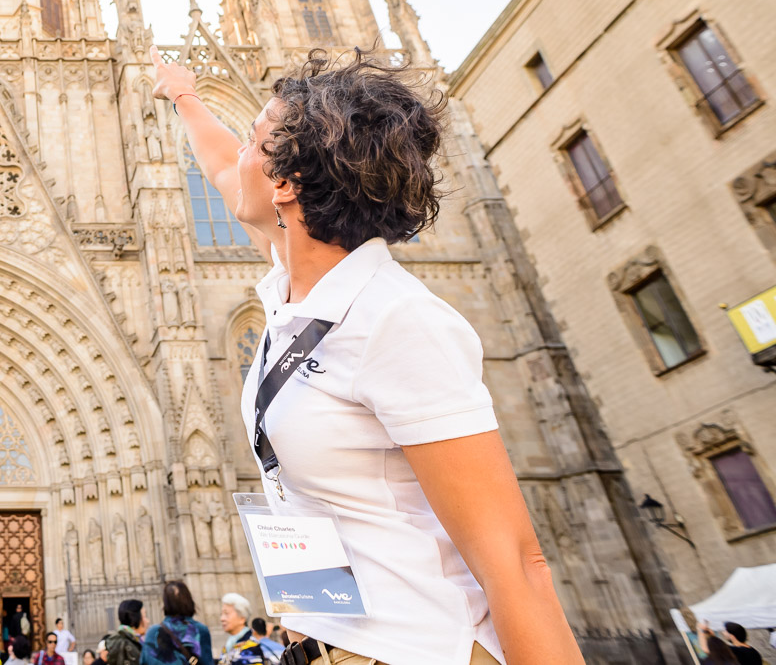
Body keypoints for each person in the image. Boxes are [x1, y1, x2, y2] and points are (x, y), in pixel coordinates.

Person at [156, 46, 585, 664]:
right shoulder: (298, 289)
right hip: (332, 646)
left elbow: (518, 563)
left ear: (284, 184)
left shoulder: (397, 319)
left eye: (253, 139)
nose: (239, 155)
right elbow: (226, 170)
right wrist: (184, 96)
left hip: (421, 649)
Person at [141, 580, 214, 665]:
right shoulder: (200, 630)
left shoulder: (153, 632)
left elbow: (144, 662)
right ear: (189, 600)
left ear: (165, 602)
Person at [104, 600, 146, 665]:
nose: (147, 621)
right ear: (136, 618)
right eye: (144, 616)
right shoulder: (126, 644)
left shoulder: (133, 640)